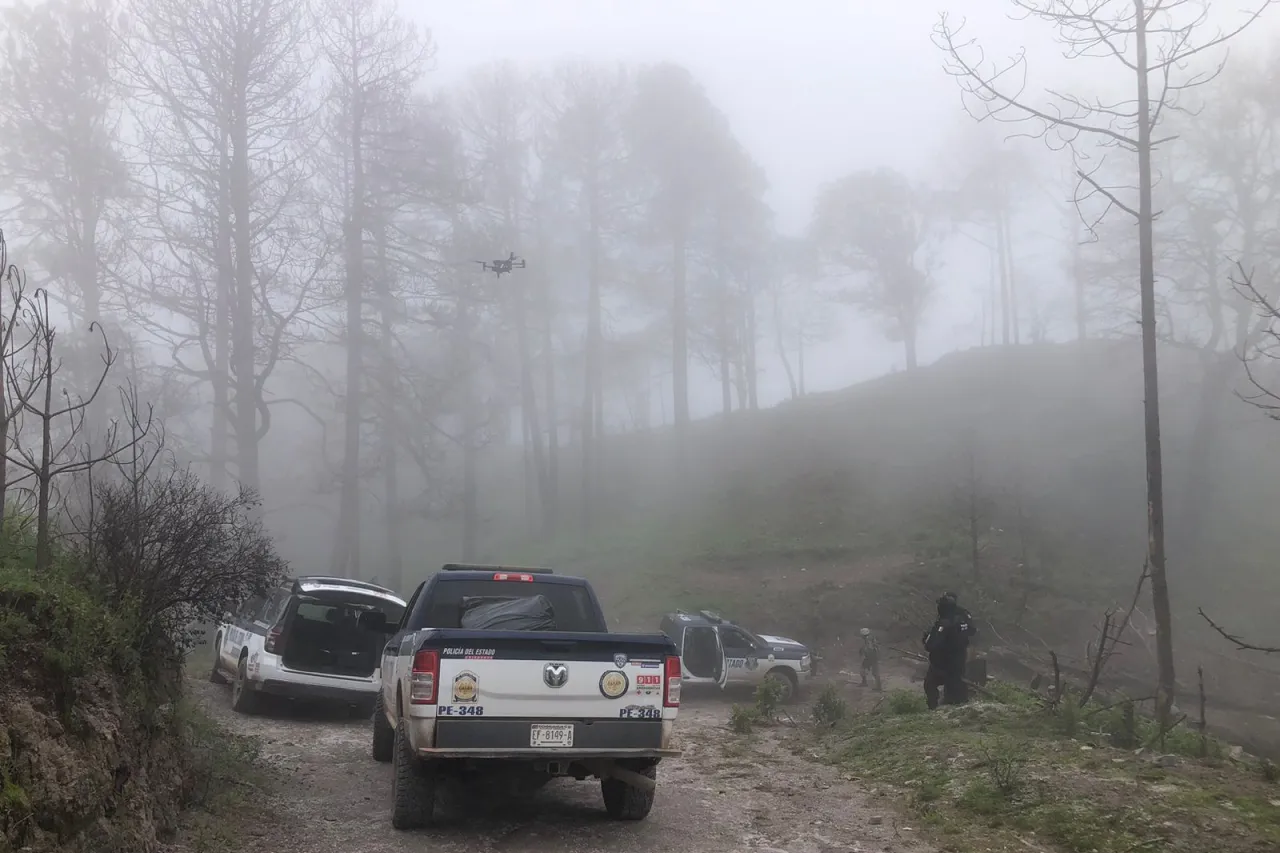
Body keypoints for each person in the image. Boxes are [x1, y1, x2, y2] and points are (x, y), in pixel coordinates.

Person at [921, 593, 977, 708]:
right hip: (959, 660)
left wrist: (928, 636)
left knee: (930, 684)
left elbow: (929, 645)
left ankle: (933, 708)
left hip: (942, 663)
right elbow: (972, 631)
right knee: (957, 686)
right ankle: (959, 706)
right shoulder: (963, 617)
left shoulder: (944, 623)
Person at [858, 627, 882, 691]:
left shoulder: (868, 640)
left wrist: (863, 653)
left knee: (874, 672)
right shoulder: (870, 638)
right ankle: (865, 682)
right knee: (864, 669)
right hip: (872, 657)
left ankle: (878, 687)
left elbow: (869, 649)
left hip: (872, 657)